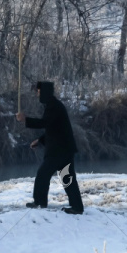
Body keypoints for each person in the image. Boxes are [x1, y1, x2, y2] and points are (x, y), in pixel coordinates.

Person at [16, 81, 84, 214]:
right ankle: (77, 207)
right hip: (64, 149)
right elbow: (53, 128)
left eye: (39, 92)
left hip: (59, 151)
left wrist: (25, 119)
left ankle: (40, 203)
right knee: (67, 178)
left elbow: (44, 123)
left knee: (43, 174)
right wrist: (40, 140)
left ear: (45, 92)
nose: (37, 94)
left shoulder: (53, 106)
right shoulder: (53, 105)